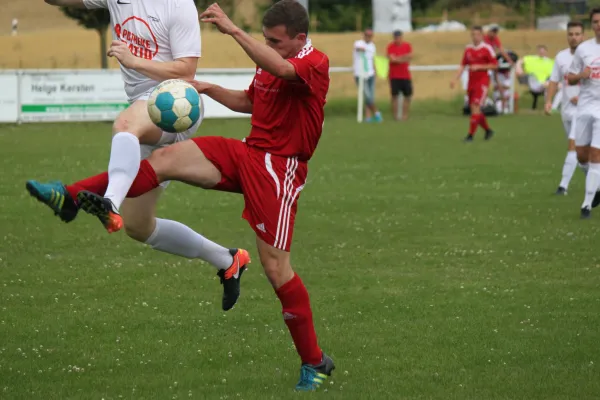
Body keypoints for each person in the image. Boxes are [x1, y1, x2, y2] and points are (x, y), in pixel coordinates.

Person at [26, 0, 335, 391]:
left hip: (279, 169)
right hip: (248, 152)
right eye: (266, 39)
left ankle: (315, 362)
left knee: (277, 270)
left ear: (300, 39)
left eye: (276, 41)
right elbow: (250, 101)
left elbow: (284, 70)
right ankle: (70, 196)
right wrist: (207, 87)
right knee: (167, 158)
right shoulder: (273, 56)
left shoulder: (314, 62)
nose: (270, 46)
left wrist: (234, 30)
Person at [26, 0, 250, 311]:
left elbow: (186, 71)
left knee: (125, 125)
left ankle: (100, 202)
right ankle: (228, 259)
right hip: (144, 109)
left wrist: (134, 61)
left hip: (176, 102)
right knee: (138, 226)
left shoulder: (179, 5)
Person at [544, 21, 585, 196]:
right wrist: (549, 101)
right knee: (582, 156)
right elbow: (554, 81)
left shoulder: (590, 56)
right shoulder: (561, 57)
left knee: (573, 147)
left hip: (583, 111)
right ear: (567, 36)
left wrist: (583, 98)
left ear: (583, 36)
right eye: (571, 34)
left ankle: (563, 186)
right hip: (566, 111)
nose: (574, 37)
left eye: (577, 34)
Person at [567, 8, 600, 218]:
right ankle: (597, 186)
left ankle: (586, 205)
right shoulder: (583, 49)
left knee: (596, 155)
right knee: (581, 156)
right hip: (585, 106)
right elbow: (570, 77)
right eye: (595, 21)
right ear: (592, 25)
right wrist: (582, 74)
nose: (599, 24)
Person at [450, 26, 498, 142]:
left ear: (481, 35)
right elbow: (463, 65)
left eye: (477, 34)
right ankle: (488, 130)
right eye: (473, 34)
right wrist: (455, 78)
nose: (475, 37)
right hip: (471, 82)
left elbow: (495, 65)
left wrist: (480, 67)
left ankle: (470, 136)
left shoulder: (487, 48)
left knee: (476, 107)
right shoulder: (468, 49)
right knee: (475, 110)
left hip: (482, 83)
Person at [353, 28, 382, 122]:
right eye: (367, 35)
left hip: (370, 74)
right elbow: (357, 48)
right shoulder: (358, 43)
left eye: (370, 35)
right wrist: (362, 49)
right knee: (368, 96)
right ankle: (377, 113)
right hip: (360, 74)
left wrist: (375, 70)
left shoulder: (373, 46)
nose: (368, 37)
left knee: (370, 97)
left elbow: (373, 59)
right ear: (364, 35)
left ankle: (368, 117)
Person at [516, 45, 553, 110]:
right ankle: (549, 105)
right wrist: (519, 68)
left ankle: (548, 105)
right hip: (534, 83)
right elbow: (520, 61)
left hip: (544, 84)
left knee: (550, 84)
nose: (542, 52)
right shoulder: (531, 59)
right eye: (540, 51)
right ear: (538, 51)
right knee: (532, 75)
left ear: (546, 52)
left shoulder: (550, 62)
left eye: (543, 51)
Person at [386, 30, 413, 120]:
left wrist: (398, 58)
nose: (397, 39)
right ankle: (395, 116)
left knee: (408, 96)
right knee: (394, 97)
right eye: (396, 37)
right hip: (394, 76)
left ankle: (405, 116)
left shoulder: (407, 45)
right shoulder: (390, 47)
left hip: (405, 75)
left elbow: (410, 57)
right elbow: (392, 59)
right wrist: (403, 58)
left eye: (399, 37)